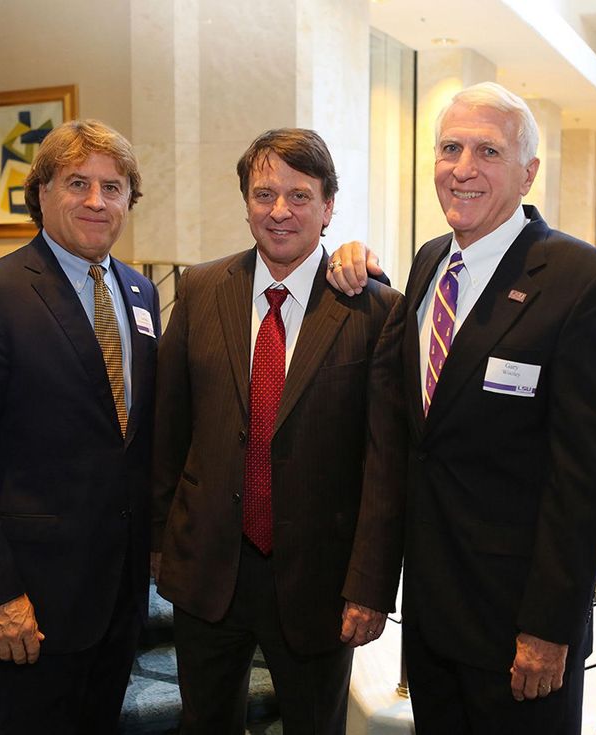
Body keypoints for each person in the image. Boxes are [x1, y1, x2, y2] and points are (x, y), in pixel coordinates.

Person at [327, 82, 596, 733]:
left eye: (488, 151)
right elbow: (412, 434)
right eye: (450, 148)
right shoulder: (429, 263)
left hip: (518, 633)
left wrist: (549, 627)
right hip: (432, 622)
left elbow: (589, 481)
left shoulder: (585, 284)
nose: (462, 168)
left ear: (528, 172)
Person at [151, 128, 407, 734]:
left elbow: (385, 464)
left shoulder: (373, 309)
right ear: (245, 203)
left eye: (299, 195)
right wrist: (161, 547)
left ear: (328, 206)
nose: (280, 211)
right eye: (264, 194)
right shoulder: (199, 289)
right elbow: (169, 431)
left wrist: (371, 585)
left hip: (320, 579)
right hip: (209, 564)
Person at [0, 119, 159, 734]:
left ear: (129, 200)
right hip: (34, 593)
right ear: (42, 192)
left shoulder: (140, 291)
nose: (96, 201)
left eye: (113, 187)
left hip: (120, 585)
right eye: (78, 183)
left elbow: (134, 438)